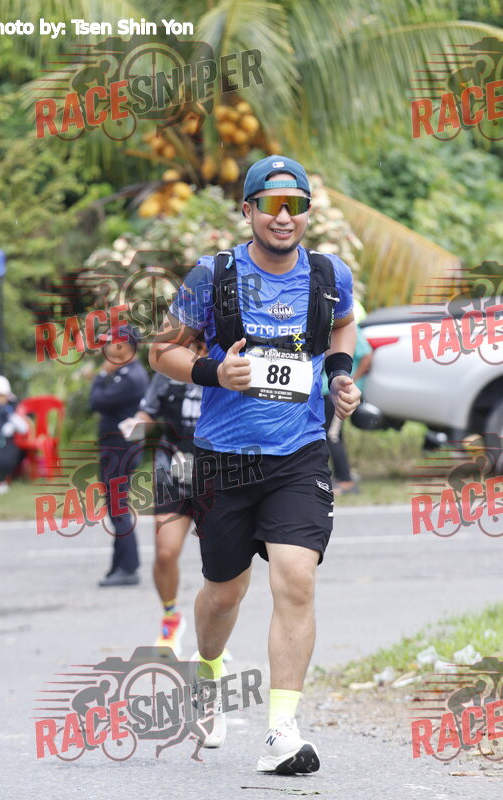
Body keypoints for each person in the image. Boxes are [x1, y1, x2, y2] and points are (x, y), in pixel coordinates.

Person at [149, 155, 361, 774]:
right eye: (270, 204)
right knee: (224, 591)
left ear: (307, 213)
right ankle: (208, 674)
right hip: (225, 458)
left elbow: (344, 327)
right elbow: (161, 352)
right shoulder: (213, 276)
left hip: (300, 453)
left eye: (295, 205)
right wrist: (215, 371)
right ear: (248, 211)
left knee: (296, 577)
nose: (283, 216)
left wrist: (340, 377)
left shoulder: (329, 275)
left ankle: (281, 731)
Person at [119, 343, 204, 655]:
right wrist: (136, 424)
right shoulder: (168, 368)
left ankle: (215, 634)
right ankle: (171, 617)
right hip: (173, 470)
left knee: (221, 559)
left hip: (221, 471)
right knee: (165, 552)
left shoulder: (229, 360)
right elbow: (148, 412)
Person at [89, 324, 148, 587]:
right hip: (116, 449)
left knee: (118, 507)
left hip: (120, 451)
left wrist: (101, 375)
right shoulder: (125, 373)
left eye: (111, 342)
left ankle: (128, 567)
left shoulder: (131, 377)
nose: (106, 346)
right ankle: (120, 565)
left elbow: (96, 401)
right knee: (116, 506)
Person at [322, 300, 372, 495]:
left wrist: (350, 381)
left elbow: (367, 356)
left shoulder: (350, 329)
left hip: (337, 392)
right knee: (331, 435)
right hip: (324, 391)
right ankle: (339, 478)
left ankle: (346, 480)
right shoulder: (324, 327)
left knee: (332, 435)